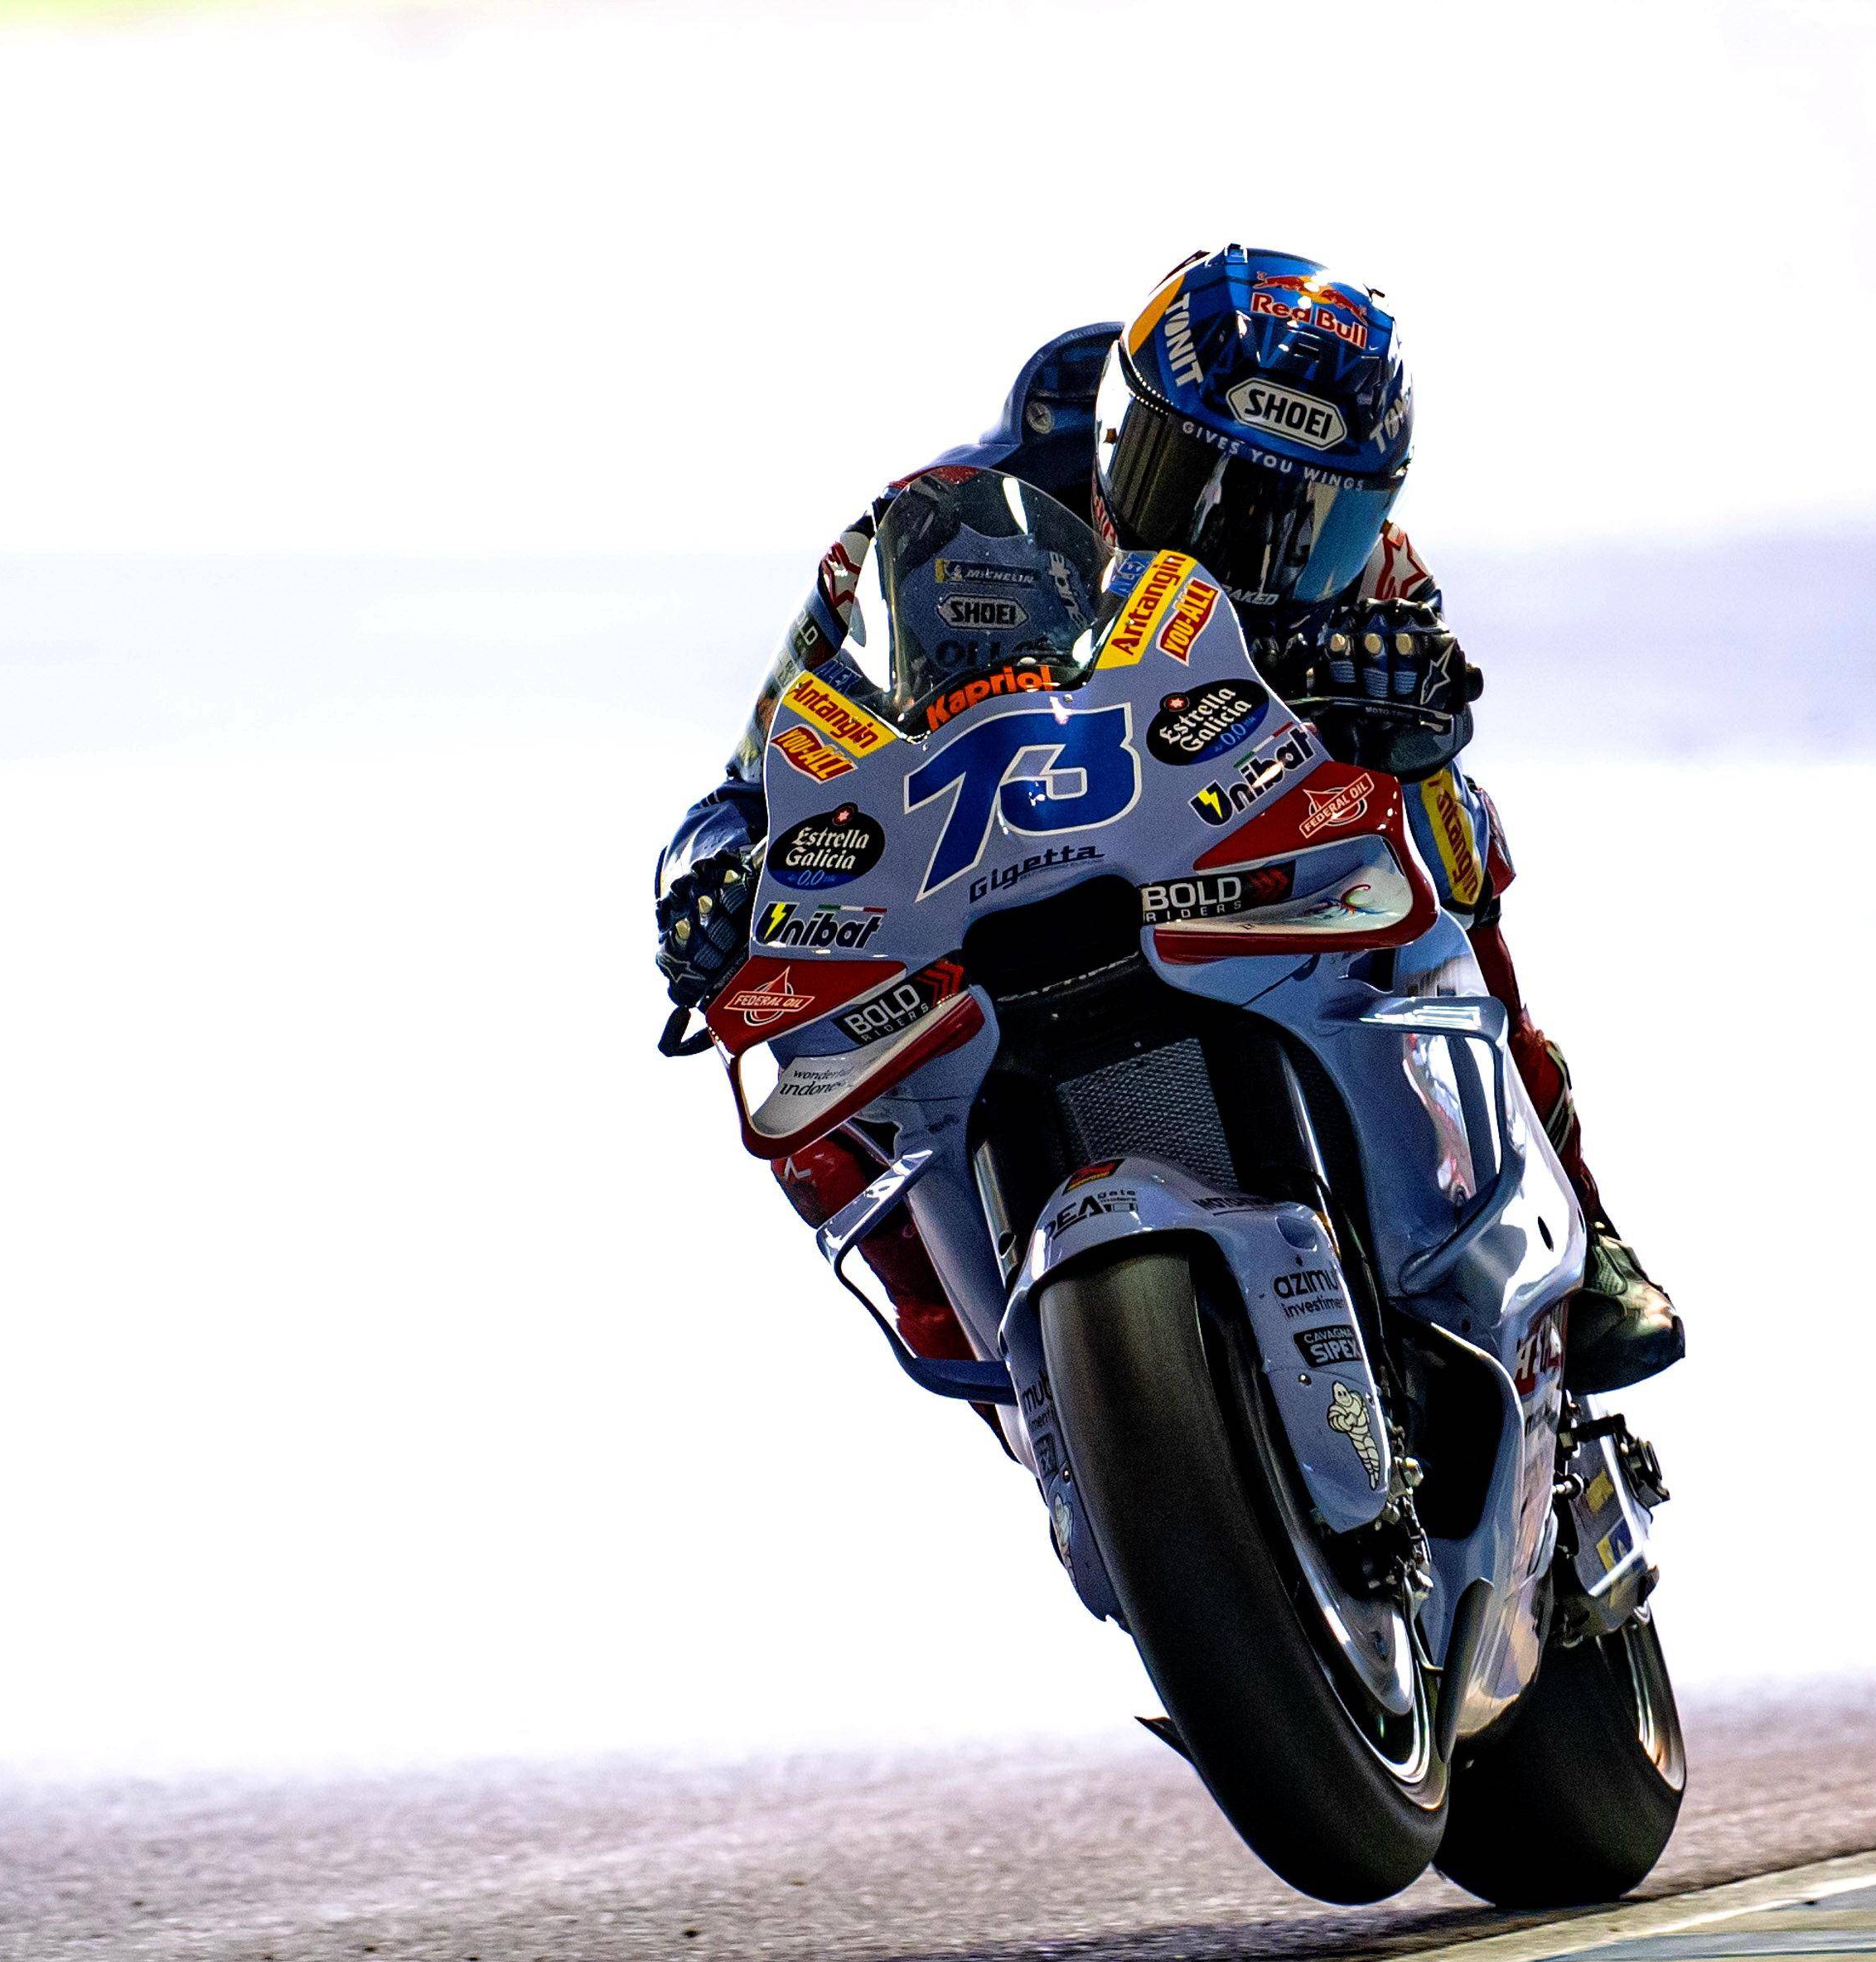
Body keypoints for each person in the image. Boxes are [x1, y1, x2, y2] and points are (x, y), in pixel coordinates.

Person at [654, 244, 1681, 1394]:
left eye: (1307, 526)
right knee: (792, 1046)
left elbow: (1433, 717)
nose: (1242, 551)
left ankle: (1580, 1230)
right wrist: (711, 878)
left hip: (1230, 845)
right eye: (1197, 492)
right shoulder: (919, 534)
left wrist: (1408, 710)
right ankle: (976, 1337)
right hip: (990, 866)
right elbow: (754, 780)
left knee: (1454, 835)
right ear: (1115, 437)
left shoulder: (1384, 571)